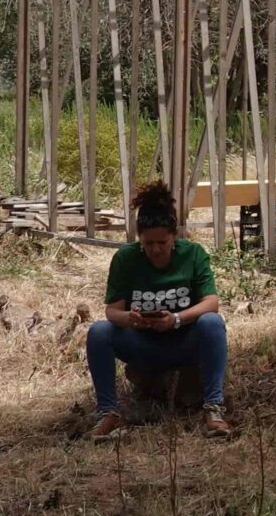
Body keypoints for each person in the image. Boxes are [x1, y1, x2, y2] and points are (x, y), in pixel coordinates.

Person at [87, 181, 231, 440]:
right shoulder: (126, 259)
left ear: (175, 236)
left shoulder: (193, 254)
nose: (155, 249)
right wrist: (130, 319)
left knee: (212, 322)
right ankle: (108, 412)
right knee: (98, 331)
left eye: (162, 242)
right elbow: (112, 312)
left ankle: (213, 408)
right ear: (139, 237)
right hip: (143, 343)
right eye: (148, 243)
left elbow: (211, 302)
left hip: (183, 341)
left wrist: (176, 319)